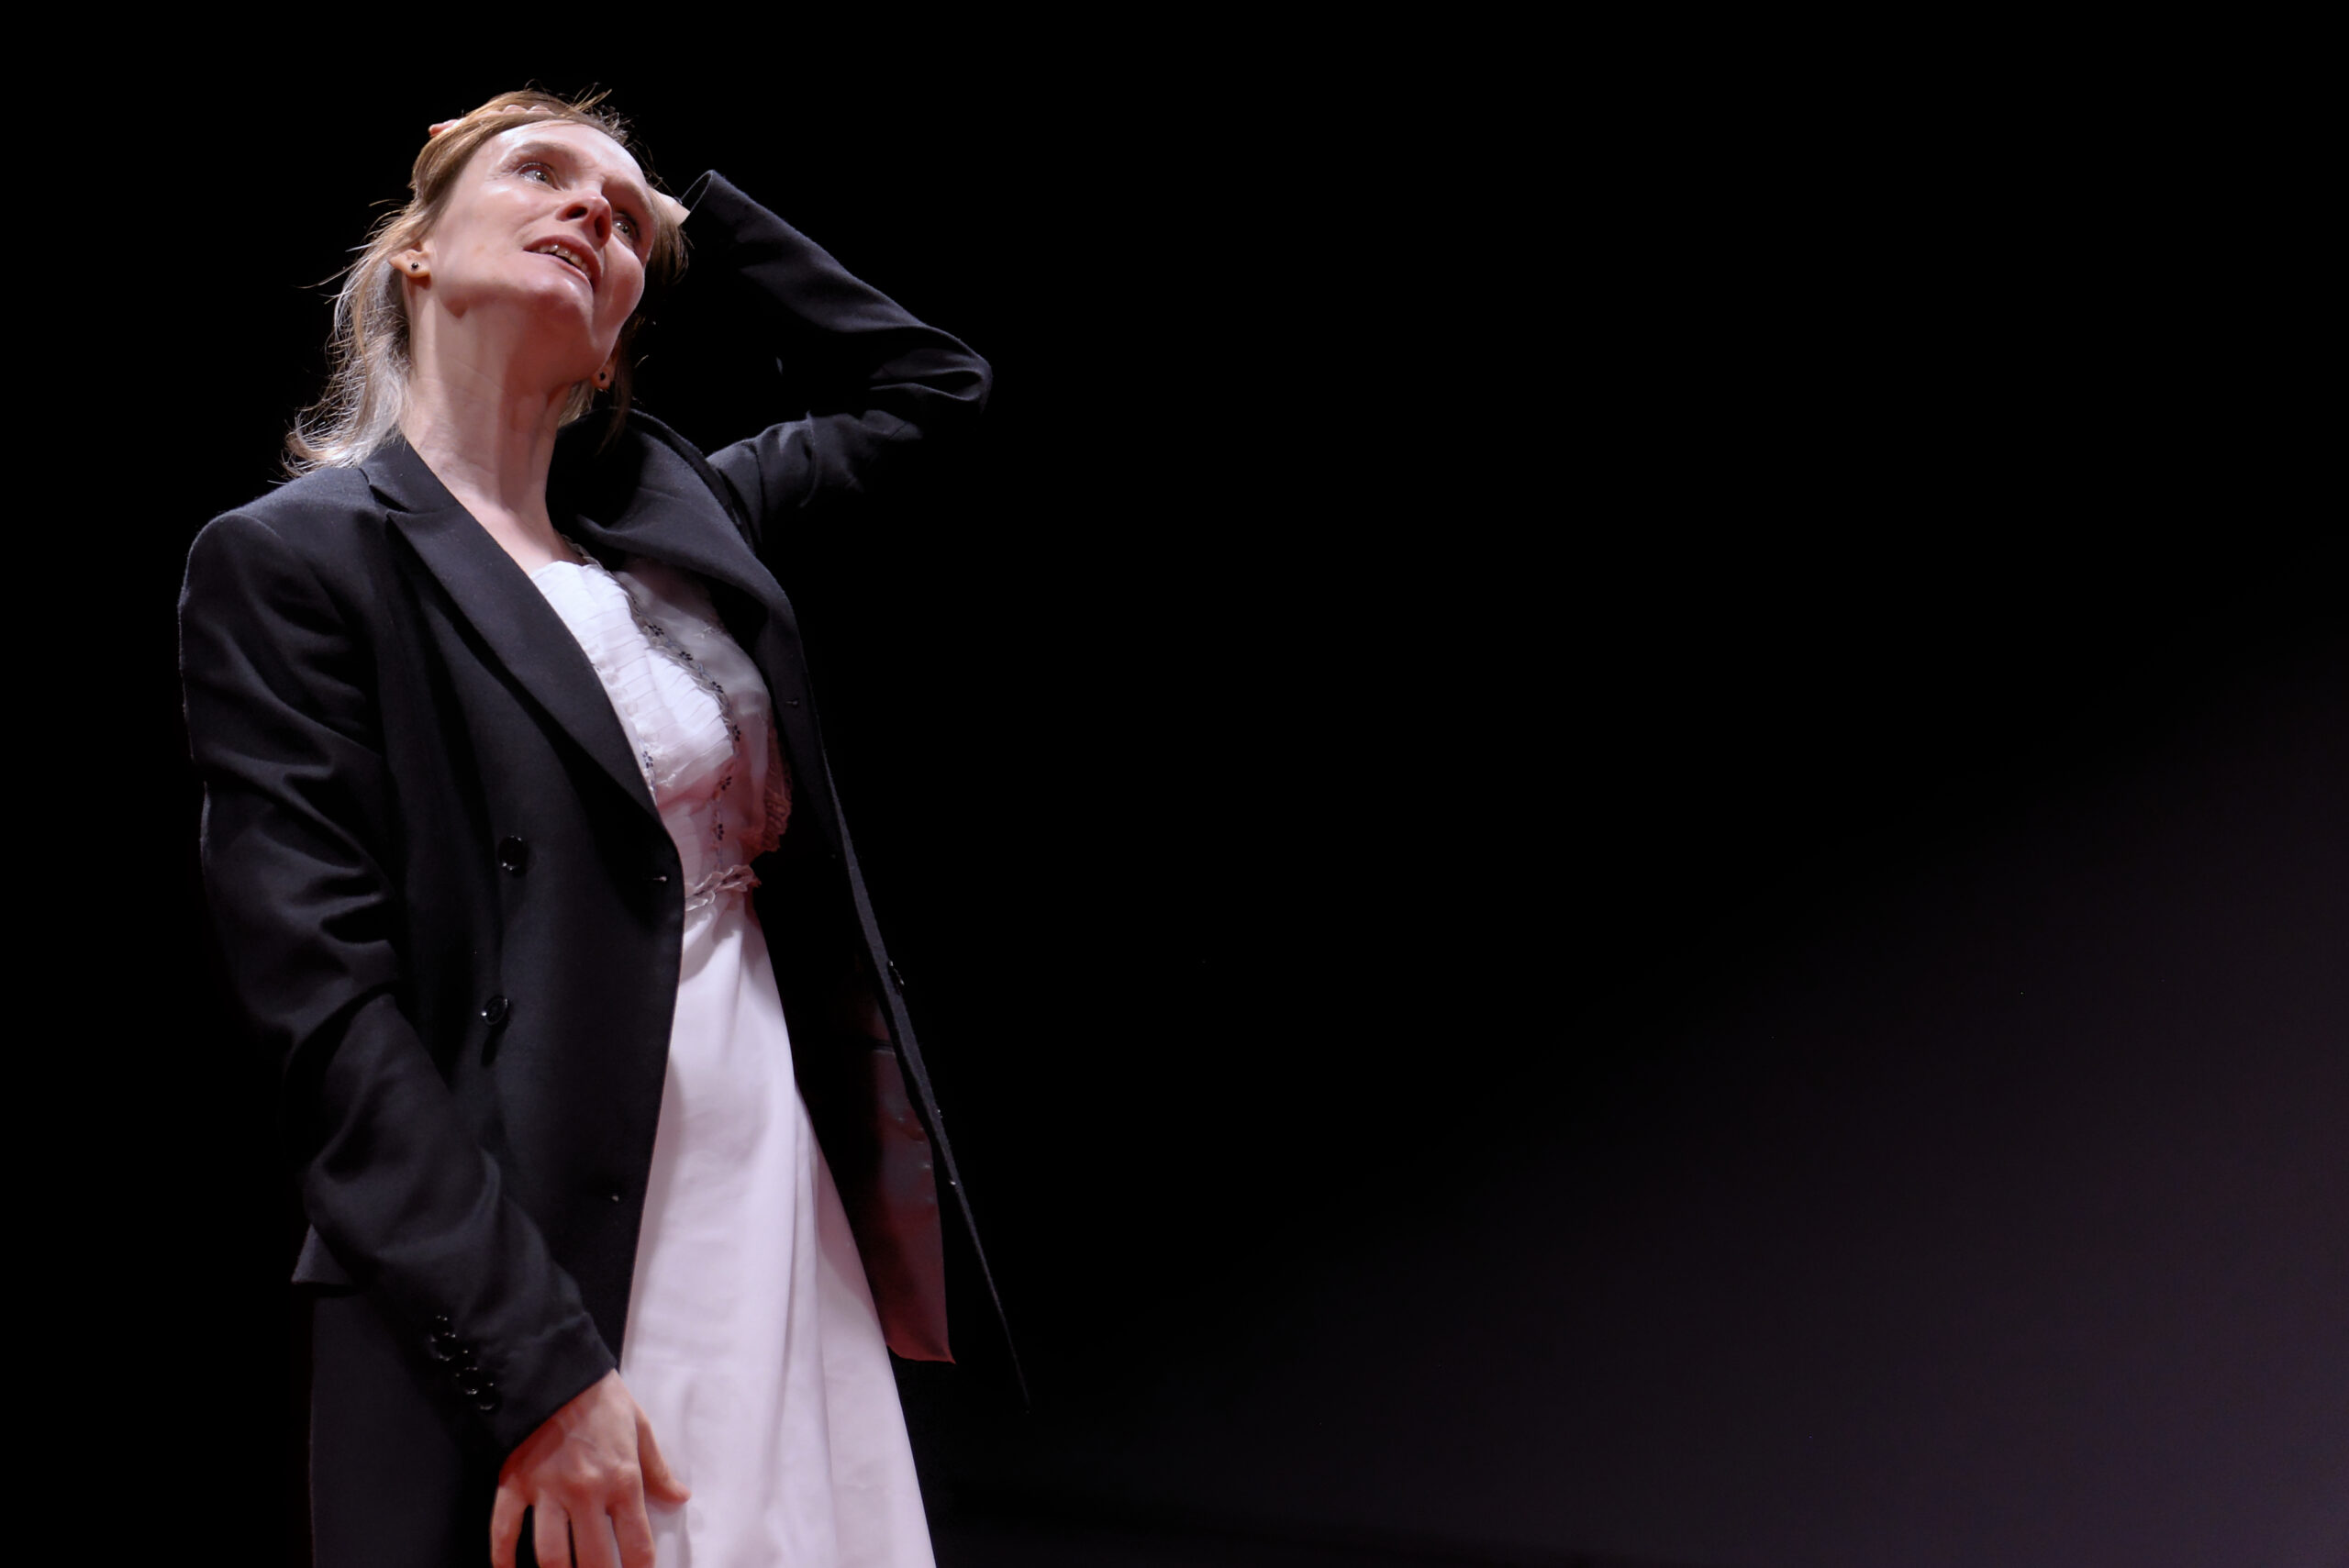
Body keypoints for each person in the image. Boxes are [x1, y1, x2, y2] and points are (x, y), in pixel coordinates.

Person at [179, 89, 1006, 1568]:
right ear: (416, 252)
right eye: (538, 173)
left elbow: (934, 386)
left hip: (768, 1174)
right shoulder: (300, 562)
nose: (591, 212)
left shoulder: (679, 520)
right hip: (538, 1239)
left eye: (626, 221)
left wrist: (700, 216)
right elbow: (329, 1018)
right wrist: (538, 1369)